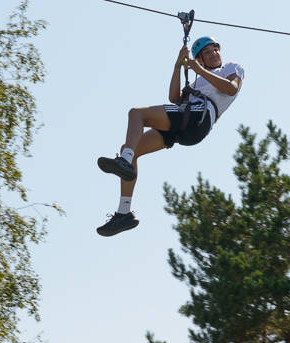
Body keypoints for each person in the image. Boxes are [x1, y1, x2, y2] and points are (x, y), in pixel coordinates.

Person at [95, 35, 244, 236]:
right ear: (200, 58)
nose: (214, 53)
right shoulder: (198, 81)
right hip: (185, 126)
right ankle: (124, 213)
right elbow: (174, 98)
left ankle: (125, 162)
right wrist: (177, 66)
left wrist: (198, 70)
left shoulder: (231, 67)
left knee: (137, 114)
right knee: (130, 149)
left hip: (198, 117)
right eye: (208, 52)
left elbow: (231, 89)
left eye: (215, 49)